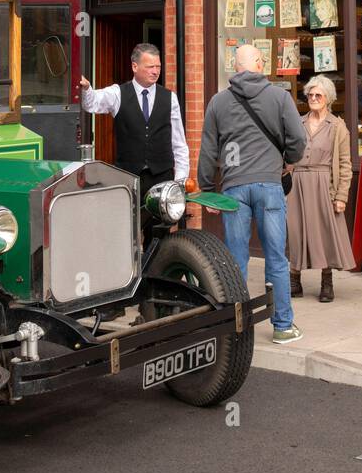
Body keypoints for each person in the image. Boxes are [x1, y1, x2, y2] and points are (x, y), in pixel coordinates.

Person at [197, 44, 306, 344]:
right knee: (276, 258)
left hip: (233, 188)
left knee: (235, 259)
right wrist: (289, 160)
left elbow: (208, 149)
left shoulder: (218, 102)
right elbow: (298, 139)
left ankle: (237, 328)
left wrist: (207, 189)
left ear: (236, 67)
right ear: (259, 63)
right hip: (270, 186)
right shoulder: (280, 97)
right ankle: (283, 325)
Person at [79, 43, 188, 243]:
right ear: (135, 67)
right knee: (126, 232)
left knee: (160, 234)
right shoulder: (118, 93)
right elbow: (92, 103)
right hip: (129, 176)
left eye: (158, 67)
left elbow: (179, 141)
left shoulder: (169, 97)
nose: (155, 72)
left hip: (161, 176)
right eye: (150, 67)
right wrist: (86, 89)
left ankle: (154, 274)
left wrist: (180, 178)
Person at [286, 75, 355, 303]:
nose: (313, 98)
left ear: (328, 98)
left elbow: (345, 163)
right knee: (296, 231)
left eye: (318, 95)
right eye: (310, 95)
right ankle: (294, 281)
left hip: (325, 184)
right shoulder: (298, 122)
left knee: (325, 233)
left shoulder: (337, 126)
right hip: (297, 184)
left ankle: (327, 282)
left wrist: (341, 195)